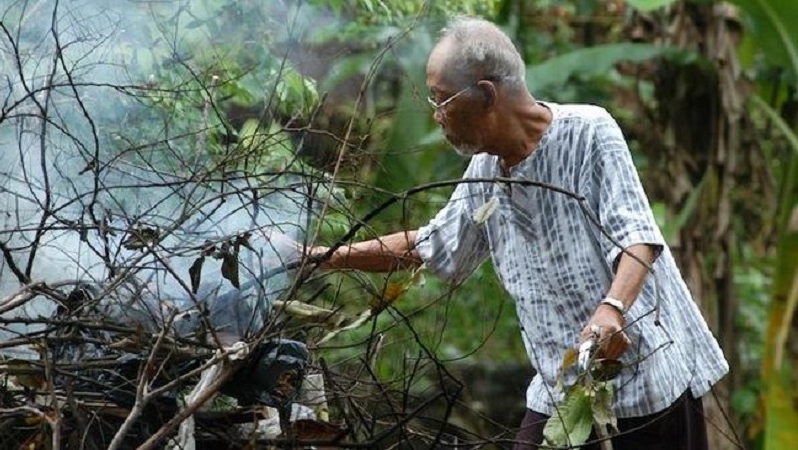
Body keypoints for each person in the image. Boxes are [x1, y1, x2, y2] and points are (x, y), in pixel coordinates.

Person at [310, 17, 728, 449]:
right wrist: (322, 255)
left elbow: (637, 237)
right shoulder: (486, 171)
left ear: (487, 94)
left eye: (441, 99)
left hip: (644, 386)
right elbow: (432, 245)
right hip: (559, 389)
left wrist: (612, 308)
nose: (436, 115)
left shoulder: (589, 132)